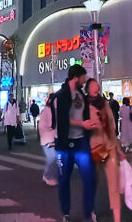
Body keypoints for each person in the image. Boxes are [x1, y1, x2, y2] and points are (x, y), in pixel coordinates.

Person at [54, 64, 97, 222]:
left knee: (89, 177)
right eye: (83, 77)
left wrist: (89, 126)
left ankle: (89, 210)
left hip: (81, 142)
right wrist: (82, 124)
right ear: (76, 77)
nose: (85, 81)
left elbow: (84, 114)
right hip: (64, 144)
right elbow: (63, 119)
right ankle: (65, 212)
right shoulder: (62, 94)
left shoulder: (81, 94)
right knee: (64, 179)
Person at [85, 79, 125, 222]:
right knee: (92, 181)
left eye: (97, 86)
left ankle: (117, 218)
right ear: (88, 89)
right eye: (92, 86)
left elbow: (112, 125)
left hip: (109, 146)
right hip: (94, 149)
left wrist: (119, 148)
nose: (95, 88)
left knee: (114, 183)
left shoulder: (104, 103)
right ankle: (90, 210)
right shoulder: (83, 105)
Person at [39, 93, 59, 186]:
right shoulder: (46, 111)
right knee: (52, 158)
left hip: (53, 137)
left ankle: (48, 175)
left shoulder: (55, 110)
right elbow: (43, 126)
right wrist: (52, 128)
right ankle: (48, 176)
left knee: (52, 158)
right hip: (48, 138)